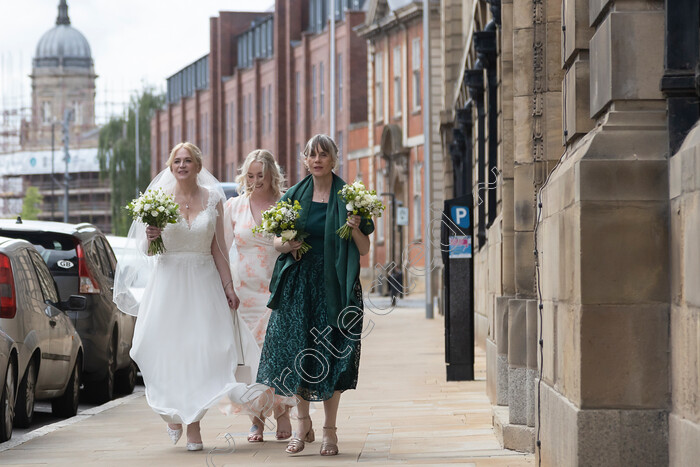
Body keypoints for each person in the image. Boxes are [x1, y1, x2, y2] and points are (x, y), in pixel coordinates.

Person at [113, 142, 259, 451]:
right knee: (159, 351)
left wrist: (229, 287)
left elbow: (218, 249)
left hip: (204, 285)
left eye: (188, 160)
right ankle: (170, 412)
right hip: (168, 285)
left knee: (202, 354)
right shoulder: (158, 200)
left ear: (197, 165)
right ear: (170, 166)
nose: (182, 165)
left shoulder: (214, 199)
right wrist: (151, 237)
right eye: (177, 160)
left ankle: (194, 424)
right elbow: (149, 251)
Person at [256, 134, 374, 456]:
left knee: (334, 356)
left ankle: (329, 431)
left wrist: (354, 228)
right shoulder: (293, 196)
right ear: (304, 160)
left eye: (324, 154)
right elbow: (277, 243)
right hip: (300, 287)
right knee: (300, 355)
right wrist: (288, 244)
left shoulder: (350, 197)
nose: (318, 159)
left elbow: (364, 249)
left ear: (334, 159)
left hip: (336, 286)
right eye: (312, 155)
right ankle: (301, 424)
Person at [222, 149, 293, 442]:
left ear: (271, 175)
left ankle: (283, 412)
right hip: (245, 293)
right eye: (250, 175)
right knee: (251, 356)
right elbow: (222, 250)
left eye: (260, 175)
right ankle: (256, 420)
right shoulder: (233, 207)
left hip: (277, 288)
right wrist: (224, 287)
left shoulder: (285, 204)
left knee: (280, 351)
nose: (254, 181)